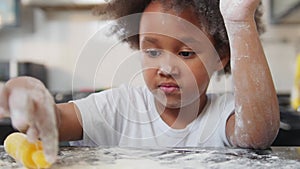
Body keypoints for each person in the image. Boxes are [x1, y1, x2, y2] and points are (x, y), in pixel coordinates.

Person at [0, 0, 280, 163]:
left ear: (220, 57)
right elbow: (55, 121)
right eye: (153, 51)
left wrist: (238, 21)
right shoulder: (118, 106)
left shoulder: (224, 115)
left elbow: (257, 134)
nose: (167, 68)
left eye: (185, 53)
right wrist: (31, 99)